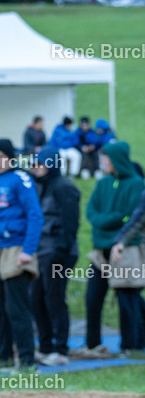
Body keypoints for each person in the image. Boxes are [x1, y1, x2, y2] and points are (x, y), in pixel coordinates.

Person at [0, 139, 43, 370]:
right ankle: (3, 356)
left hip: (16, 249)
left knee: (17, 308)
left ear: (11, 158)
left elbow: (35, 216)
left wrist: (28, 251)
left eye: (2, 156)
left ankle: (26, 359)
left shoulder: (21, 179)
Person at [85, 142, 144, 353]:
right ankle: (92, 344)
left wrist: (106, 221)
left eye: (106, 158)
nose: (102, 161)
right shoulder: (103, 183)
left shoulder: (137, 184)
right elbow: (91, 211)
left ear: (116, 159)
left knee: (126, 298)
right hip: (100, 250)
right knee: (92, 298)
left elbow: (129, 217)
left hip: (126, 250)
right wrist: (105, 220)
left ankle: (130, 345)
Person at [28, 147, 80, 364]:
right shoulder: (43, 186)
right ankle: (45, 344)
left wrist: (61, 251)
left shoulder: (64, 187)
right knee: (36, 299)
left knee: (55, 298)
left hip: (58, 253)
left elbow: (71, 223)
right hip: (42, 251)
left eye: (39, 164)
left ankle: (61, 349)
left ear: (50, 164)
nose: (35, 168)